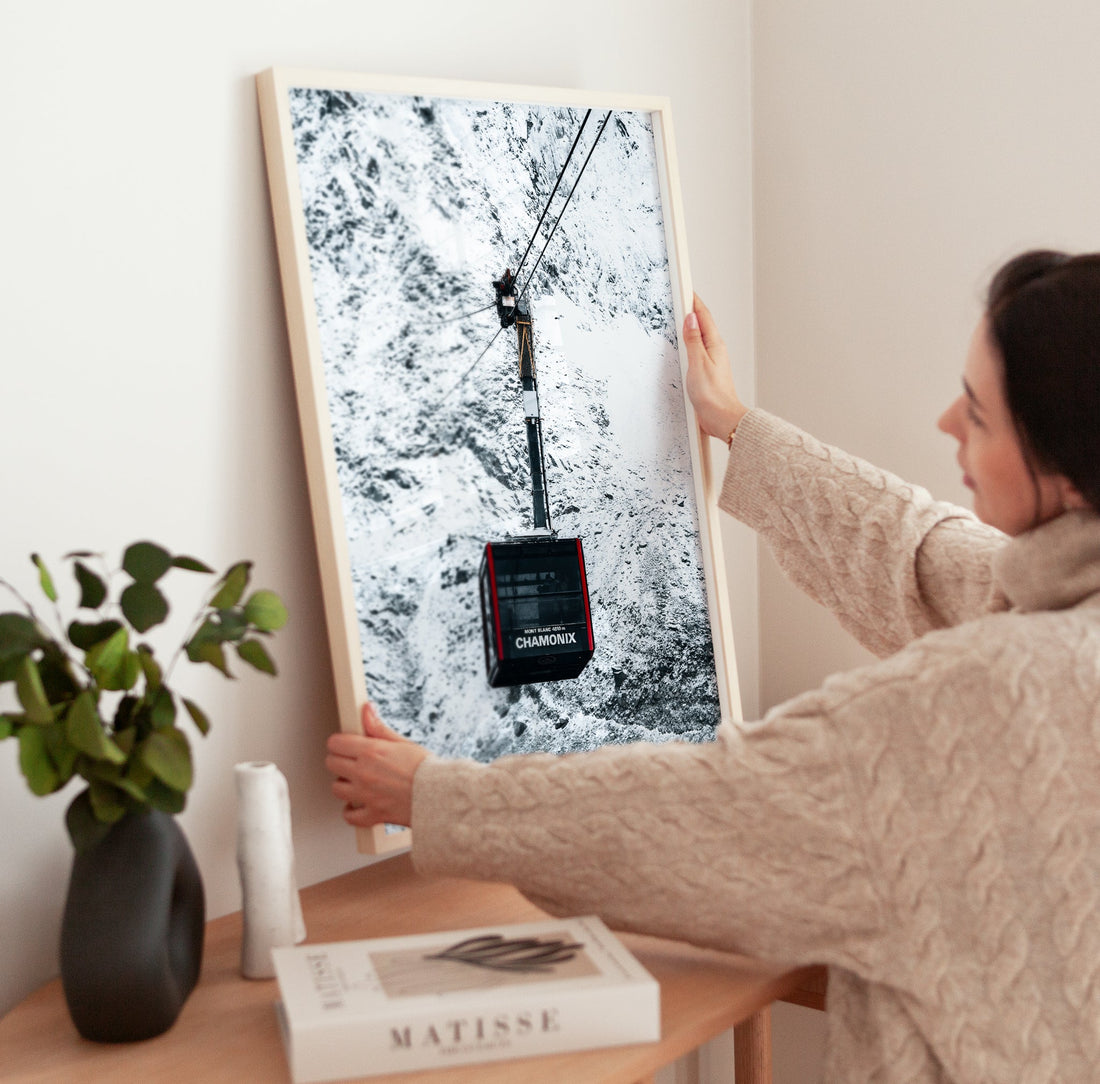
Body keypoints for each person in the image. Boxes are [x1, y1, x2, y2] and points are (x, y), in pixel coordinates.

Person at [326, 250, 1100, 1083]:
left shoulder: (977, 700)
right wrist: (735, 424)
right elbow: (918, 554)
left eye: (980, 416)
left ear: (1064, 472)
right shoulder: (1060, 607)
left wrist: (434, 798)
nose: (947, 421)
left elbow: (704, 812)